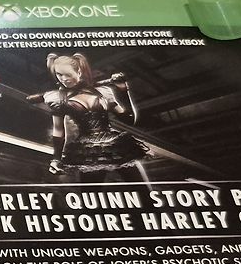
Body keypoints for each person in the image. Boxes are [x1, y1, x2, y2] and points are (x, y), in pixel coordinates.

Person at [26, 52, 149, 181]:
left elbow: (128, 119)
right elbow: (58, 130)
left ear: (79, 72)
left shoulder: (103, 93)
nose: (63, 79)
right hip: (87, 152)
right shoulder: (58, 98)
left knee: (142, 189)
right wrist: (56, 159)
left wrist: (124, 91)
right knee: (91, 191)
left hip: (117, 146)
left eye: (67, 74)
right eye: (59, 74)